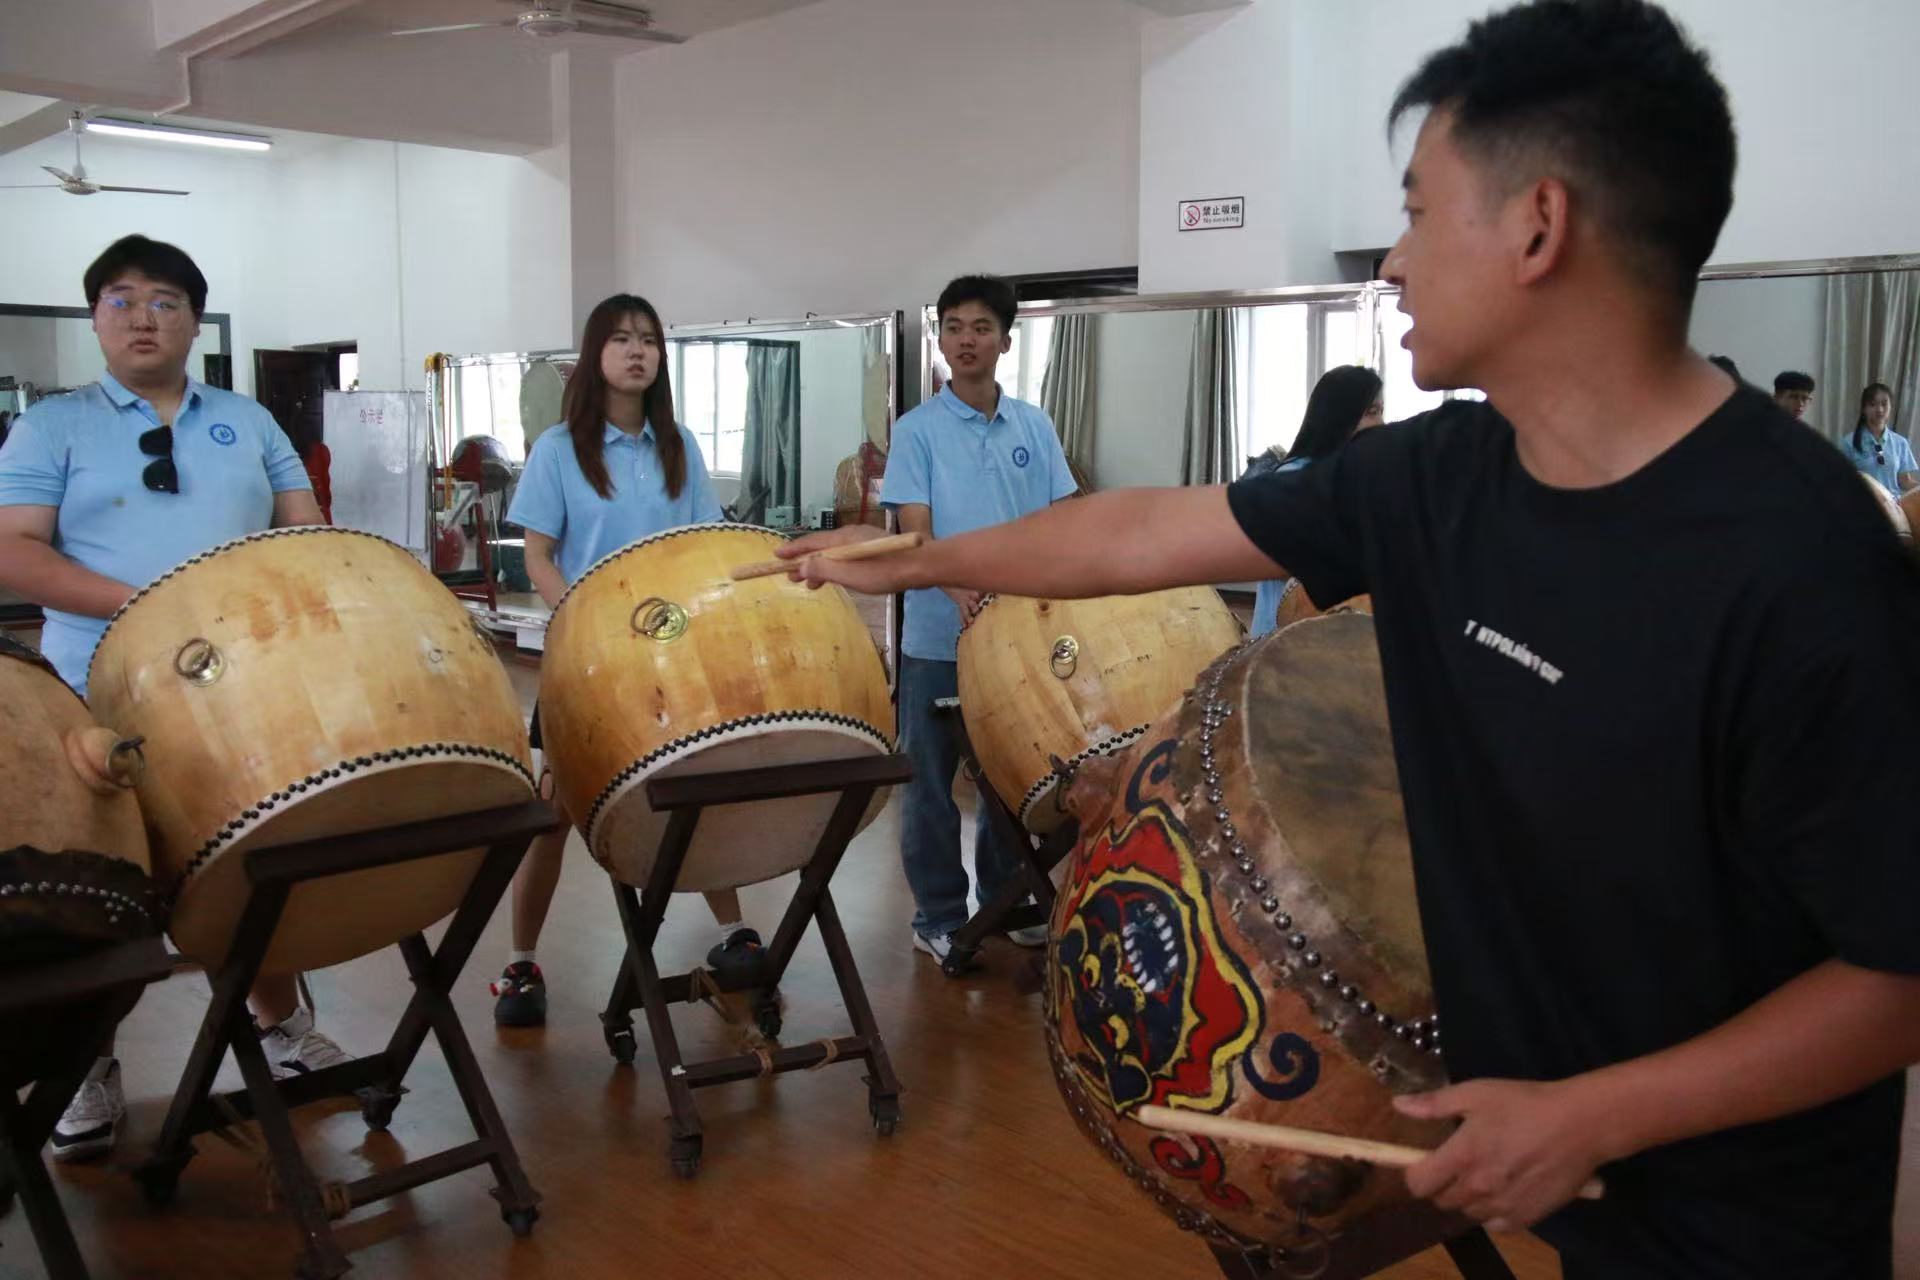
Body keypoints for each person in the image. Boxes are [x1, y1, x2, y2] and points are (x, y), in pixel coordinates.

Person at [779, 4, 1920, 1276]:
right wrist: (918, 559)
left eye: (1419, 213)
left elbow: (1897, 974)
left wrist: (1596, 1113)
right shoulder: (1437, 475)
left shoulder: (1803, 556)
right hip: (1555, 1170)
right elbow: (1144, 529)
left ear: (1538, 225)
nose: (1390, 263)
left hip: (1743, 1222)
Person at [0, 235, 349, 1161]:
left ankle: (281, 1026)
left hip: (240, 681)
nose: (142, 318)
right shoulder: (53, 426)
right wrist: (151, 605)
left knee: (254, 847)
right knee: (99, 873)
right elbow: (14, 551)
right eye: (120, 300)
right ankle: (86, 1065)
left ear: (194, 321)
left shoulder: (247, 419)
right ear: (96, 320)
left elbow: (304, 532)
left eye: (164, 301)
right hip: (96, 688)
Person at [493, 293, 767, 1027]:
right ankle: (520, 962)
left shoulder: (679, 445)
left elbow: (703, 547)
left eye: (647, 339)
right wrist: (583, 620)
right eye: (621, 339)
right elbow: (539, 556)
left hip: (671, 656)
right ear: (596, 355)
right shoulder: (560, 449)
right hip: (585, 658)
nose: (637, 351)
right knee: (553, 813)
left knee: (693, 789)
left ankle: (732, 929)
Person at [886, 273, 1077, 967]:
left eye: (981, 328)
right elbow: (915, 532)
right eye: (954, 327)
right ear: (940, 339)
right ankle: (937, 915)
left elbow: (1060, 520)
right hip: (938, 640)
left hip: (1021, 639)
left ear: (1005, 339)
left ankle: (1007, 898)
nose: (966, 340)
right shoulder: (917, 430)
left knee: (1011, 776)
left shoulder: (1034, 424)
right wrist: (954, 584)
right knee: (928, 784)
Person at [1240, 365, 1384, 636]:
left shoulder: (1348, 474)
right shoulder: (1294, 477)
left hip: (1329, 634)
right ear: (1340, 416)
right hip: (1282, 638)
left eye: (1381, 412)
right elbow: (1286, 564)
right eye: (1372, 412)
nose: (1381, 424)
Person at [1842, 382, 1917, 494]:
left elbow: (1905, 481)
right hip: (1862, 502)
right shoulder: (1848, 442)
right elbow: (1843, 481)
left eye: (1884, 404)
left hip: (1893, 503)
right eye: (1873, 404)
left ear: (1890, 407)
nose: (1880, 410)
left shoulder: (1900, 443)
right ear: (1864, 409)